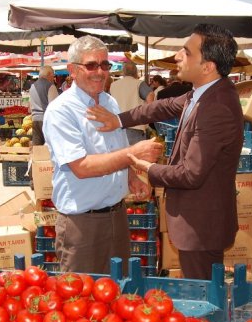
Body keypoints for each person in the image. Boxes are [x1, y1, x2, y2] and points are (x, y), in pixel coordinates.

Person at [87, 23, 243, 280]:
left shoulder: (215, 106)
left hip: (201, 225)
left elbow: (191, 174)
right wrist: (119, 120)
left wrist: (148, 168)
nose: (178, 57)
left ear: (208, 66)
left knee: (201, 292)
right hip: (200, 221)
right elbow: (162, 107)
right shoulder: (201, 94)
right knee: (200, 287)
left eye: (187, 52)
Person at [42, 36, 162, 274]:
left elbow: (115, 147)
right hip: (82, 223)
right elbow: (82, 167)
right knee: (81, 301)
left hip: (116, 214)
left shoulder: (109, 102)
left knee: (119, 292)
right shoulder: (61, 110)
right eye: (91, 65)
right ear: (73, 70)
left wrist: (130, 177)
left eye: (104, 65)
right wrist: (132, 154)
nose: (99, 71)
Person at [109, 61, 151, 145]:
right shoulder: (139, 84)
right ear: (136, 72)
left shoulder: (113, 85)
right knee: (136, 156)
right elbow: (151, 98)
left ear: (123, 72)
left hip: (117, 126)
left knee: (121, 155)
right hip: (135, 126)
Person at [30, 66, 59, 146]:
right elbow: (54, 105)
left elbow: (30, 105)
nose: (53, 78)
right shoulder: (50, 86)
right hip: (46, 120)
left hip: (34, 119)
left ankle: (36, 158)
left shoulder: (32, 86)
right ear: (49, 74)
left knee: (37, 147)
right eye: (53, 76)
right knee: (49, 148)